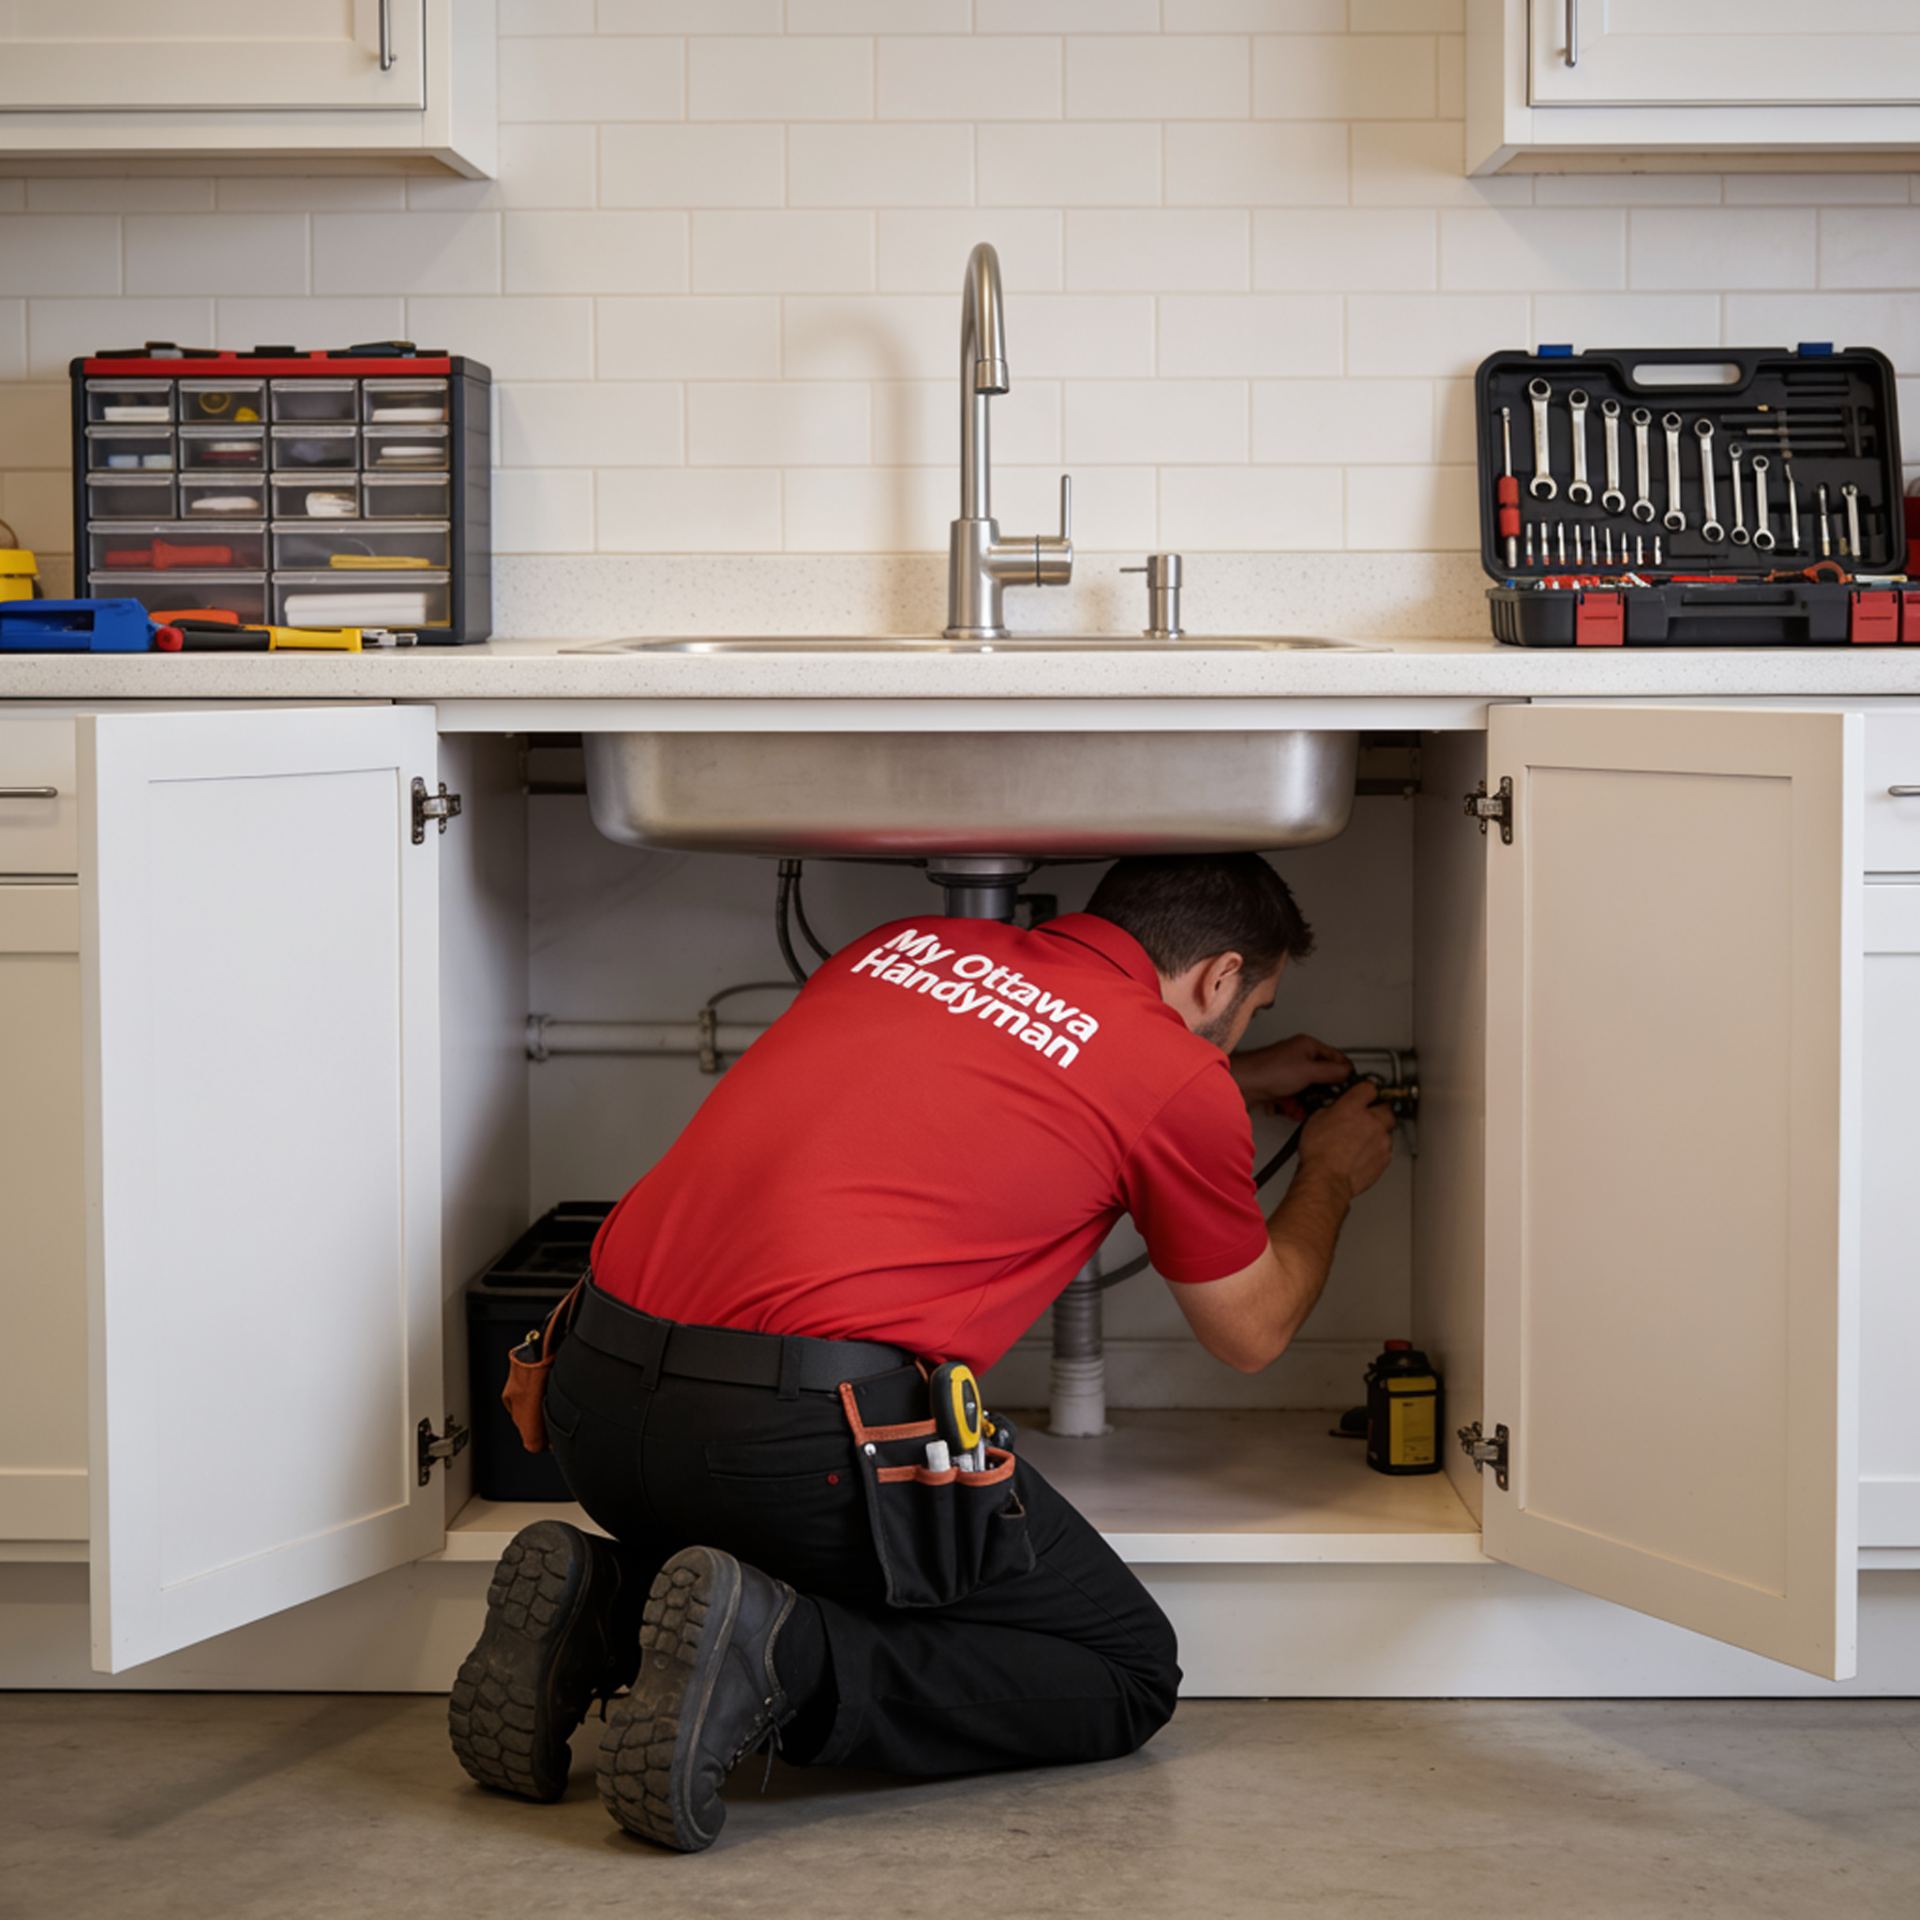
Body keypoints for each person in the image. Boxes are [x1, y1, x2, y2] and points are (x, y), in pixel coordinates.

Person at [448, 852, 1396, 1850]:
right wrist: (1328, 1173)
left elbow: (1028, 1063)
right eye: (1250, 1009)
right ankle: (778, 1660)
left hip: (592, 1405)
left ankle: (609, 1605)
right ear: (1218, 979)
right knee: (1123, 1671)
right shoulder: (1172, 1076)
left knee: (823, 1533)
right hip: (786, 1453)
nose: (1235, 1034)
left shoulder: (905, 947)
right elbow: (1250, 1332)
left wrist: (1237, 1074)